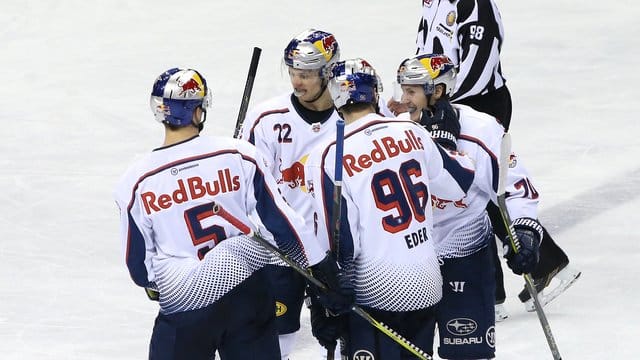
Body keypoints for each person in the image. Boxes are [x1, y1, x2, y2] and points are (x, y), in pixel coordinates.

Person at [114, 67, 345, 359]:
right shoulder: (238, 154)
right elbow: (283, 223)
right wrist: (322, 271)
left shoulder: (135, 181)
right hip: (247, 296)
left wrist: (155, 284)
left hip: (186, 303)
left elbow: (138, 266)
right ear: (198, 111)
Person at [390, 0, 581, 319]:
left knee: (481, 190)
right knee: (467, 194)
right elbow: (429, 56)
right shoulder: (433, 3)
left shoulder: (473, 4)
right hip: (443, 105)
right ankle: (502, 287)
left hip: (477, 105)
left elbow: (481, 61)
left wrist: (446, 108)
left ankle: (540, 268)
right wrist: (420, 102)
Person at [305, 57, 476, 359]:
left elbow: (339, 242)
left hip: (374, 293)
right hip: (426, 284)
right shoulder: (412, 131)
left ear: (337, 97)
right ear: (375, 94)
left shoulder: (328, 154)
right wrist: (444, 139)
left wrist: (323, 301)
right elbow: (458, 180)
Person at [239, 28, 394, 359]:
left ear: (329, 71)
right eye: (293, 72)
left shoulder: (360, 117)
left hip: (342, 251)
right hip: (282, 249)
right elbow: (250, 191)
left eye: (307, 73)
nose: (297, 81)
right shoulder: (266, 119)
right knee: (273, 342)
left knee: (350, 344)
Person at [396, 52, 546, 359]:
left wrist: (525, 233)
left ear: (436, 91)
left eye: (411, 91)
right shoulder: (396, 130)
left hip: (465, 255)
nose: (404, 99)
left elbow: (516, 188)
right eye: (403, 90)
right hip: (411, 260)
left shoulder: (482, 129)